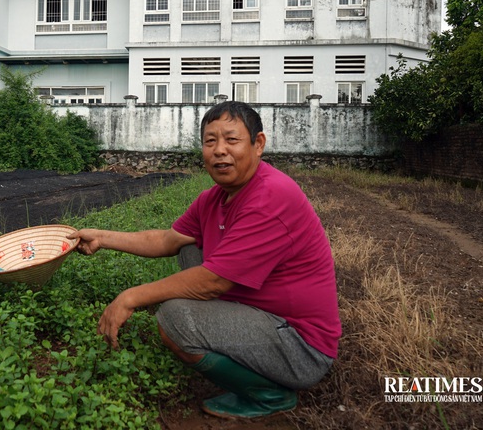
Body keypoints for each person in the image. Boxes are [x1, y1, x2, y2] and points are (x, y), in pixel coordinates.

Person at [70, 101, 340, 419]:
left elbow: (213, 282)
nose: (219, 150)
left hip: (300, 347)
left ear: (258, 145)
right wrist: (102, 238)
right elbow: (167, 240)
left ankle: (268, 395)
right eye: (210, 141)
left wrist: (130, 298)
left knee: (174, 319)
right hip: (261, 314)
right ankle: (229, 339)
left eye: (232, 139)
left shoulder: (270, 196)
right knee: (188, 246)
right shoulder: (214, 198)